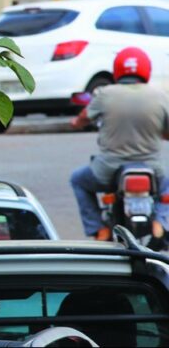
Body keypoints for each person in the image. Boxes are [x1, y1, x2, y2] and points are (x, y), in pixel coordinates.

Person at [69, 47, 169, 243]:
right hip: (152, 171)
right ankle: (160, 222)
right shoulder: (160, 96)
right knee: (167, 188)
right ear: (145, 70)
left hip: (107, 171)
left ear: (118, 70)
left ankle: (99, 228)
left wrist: (76, 123)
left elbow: (83, 117)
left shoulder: (105, 94)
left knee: (78, 180)